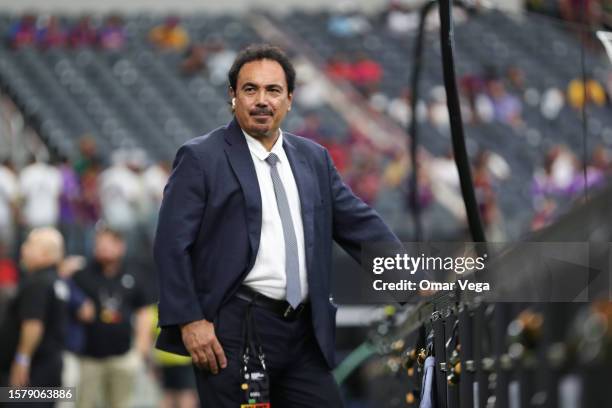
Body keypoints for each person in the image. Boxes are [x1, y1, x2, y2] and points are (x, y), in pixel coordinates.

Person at [154, 44, 400, 407]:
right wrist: (190, 320)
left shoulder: (313, 158)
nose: (261, 100)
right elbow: (171, 245)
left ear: (290, 100)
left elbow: (359, 225)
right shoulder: (201, 157)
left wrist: (413, 275)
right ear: (233, 97)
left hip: (304, 333)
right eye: (250, 89)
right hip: (234, 333)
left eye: (273, 90)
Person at [73, 225, 154, 408]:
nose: (103, 247)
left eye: (109, 243)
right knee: (84, 403)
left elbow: (143, 312)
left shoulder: (133, 273)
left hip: (123, 355)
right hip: (89, 357)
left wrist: (141, 349)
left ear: (121, 246)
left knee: (122, 403)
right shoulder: (82, 274)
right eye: (99, 243)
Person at [0, 228, 69, 395]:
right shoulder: (56, 281)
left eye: (30, 244)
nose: (23, 248)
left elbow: (33, 323)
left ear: (46, 254)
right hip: (50, 366)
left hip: (32, 372)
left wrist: (22, 359)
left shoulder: (37, 283)